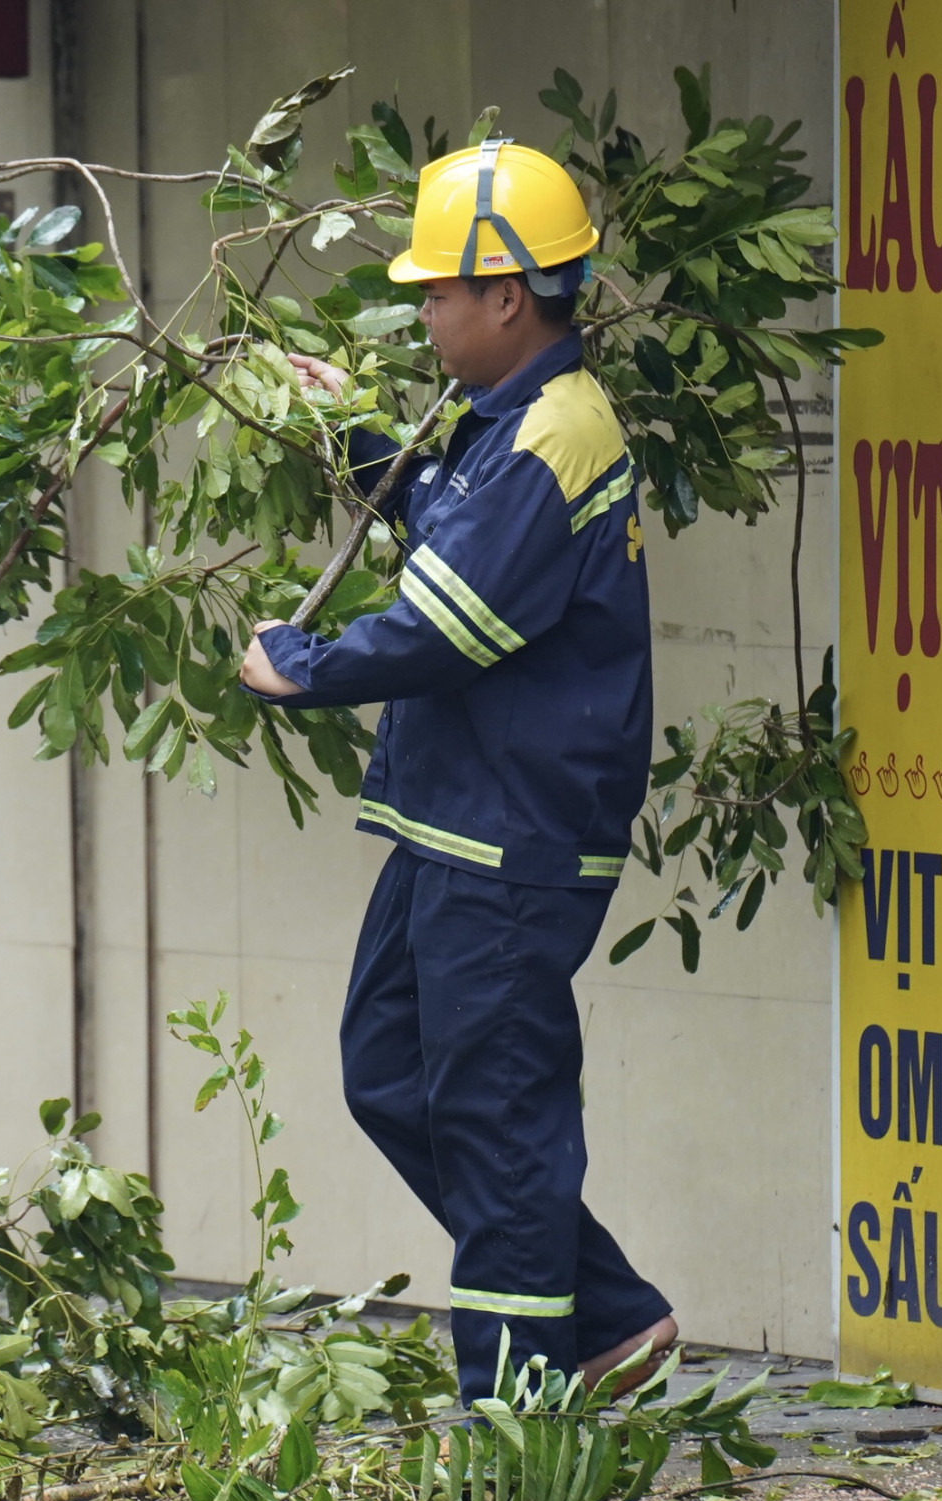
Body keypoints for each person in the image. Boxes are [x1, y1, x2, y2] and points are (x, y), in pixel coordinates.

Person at [238, 140, 676, 1403]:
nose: (419, 310)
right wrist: (355, 431)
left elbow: (451, 621)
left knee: (495, 1125)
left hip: (508, 846)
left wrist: (302, 666)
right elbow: (447, 516)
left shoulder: (554, 435)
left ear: (507, 295)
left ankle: (515, 1414)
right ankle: (609, 1317)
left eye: (437, 290)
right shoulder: (506, 431)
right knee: (386, 1073)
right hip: (453, 832)